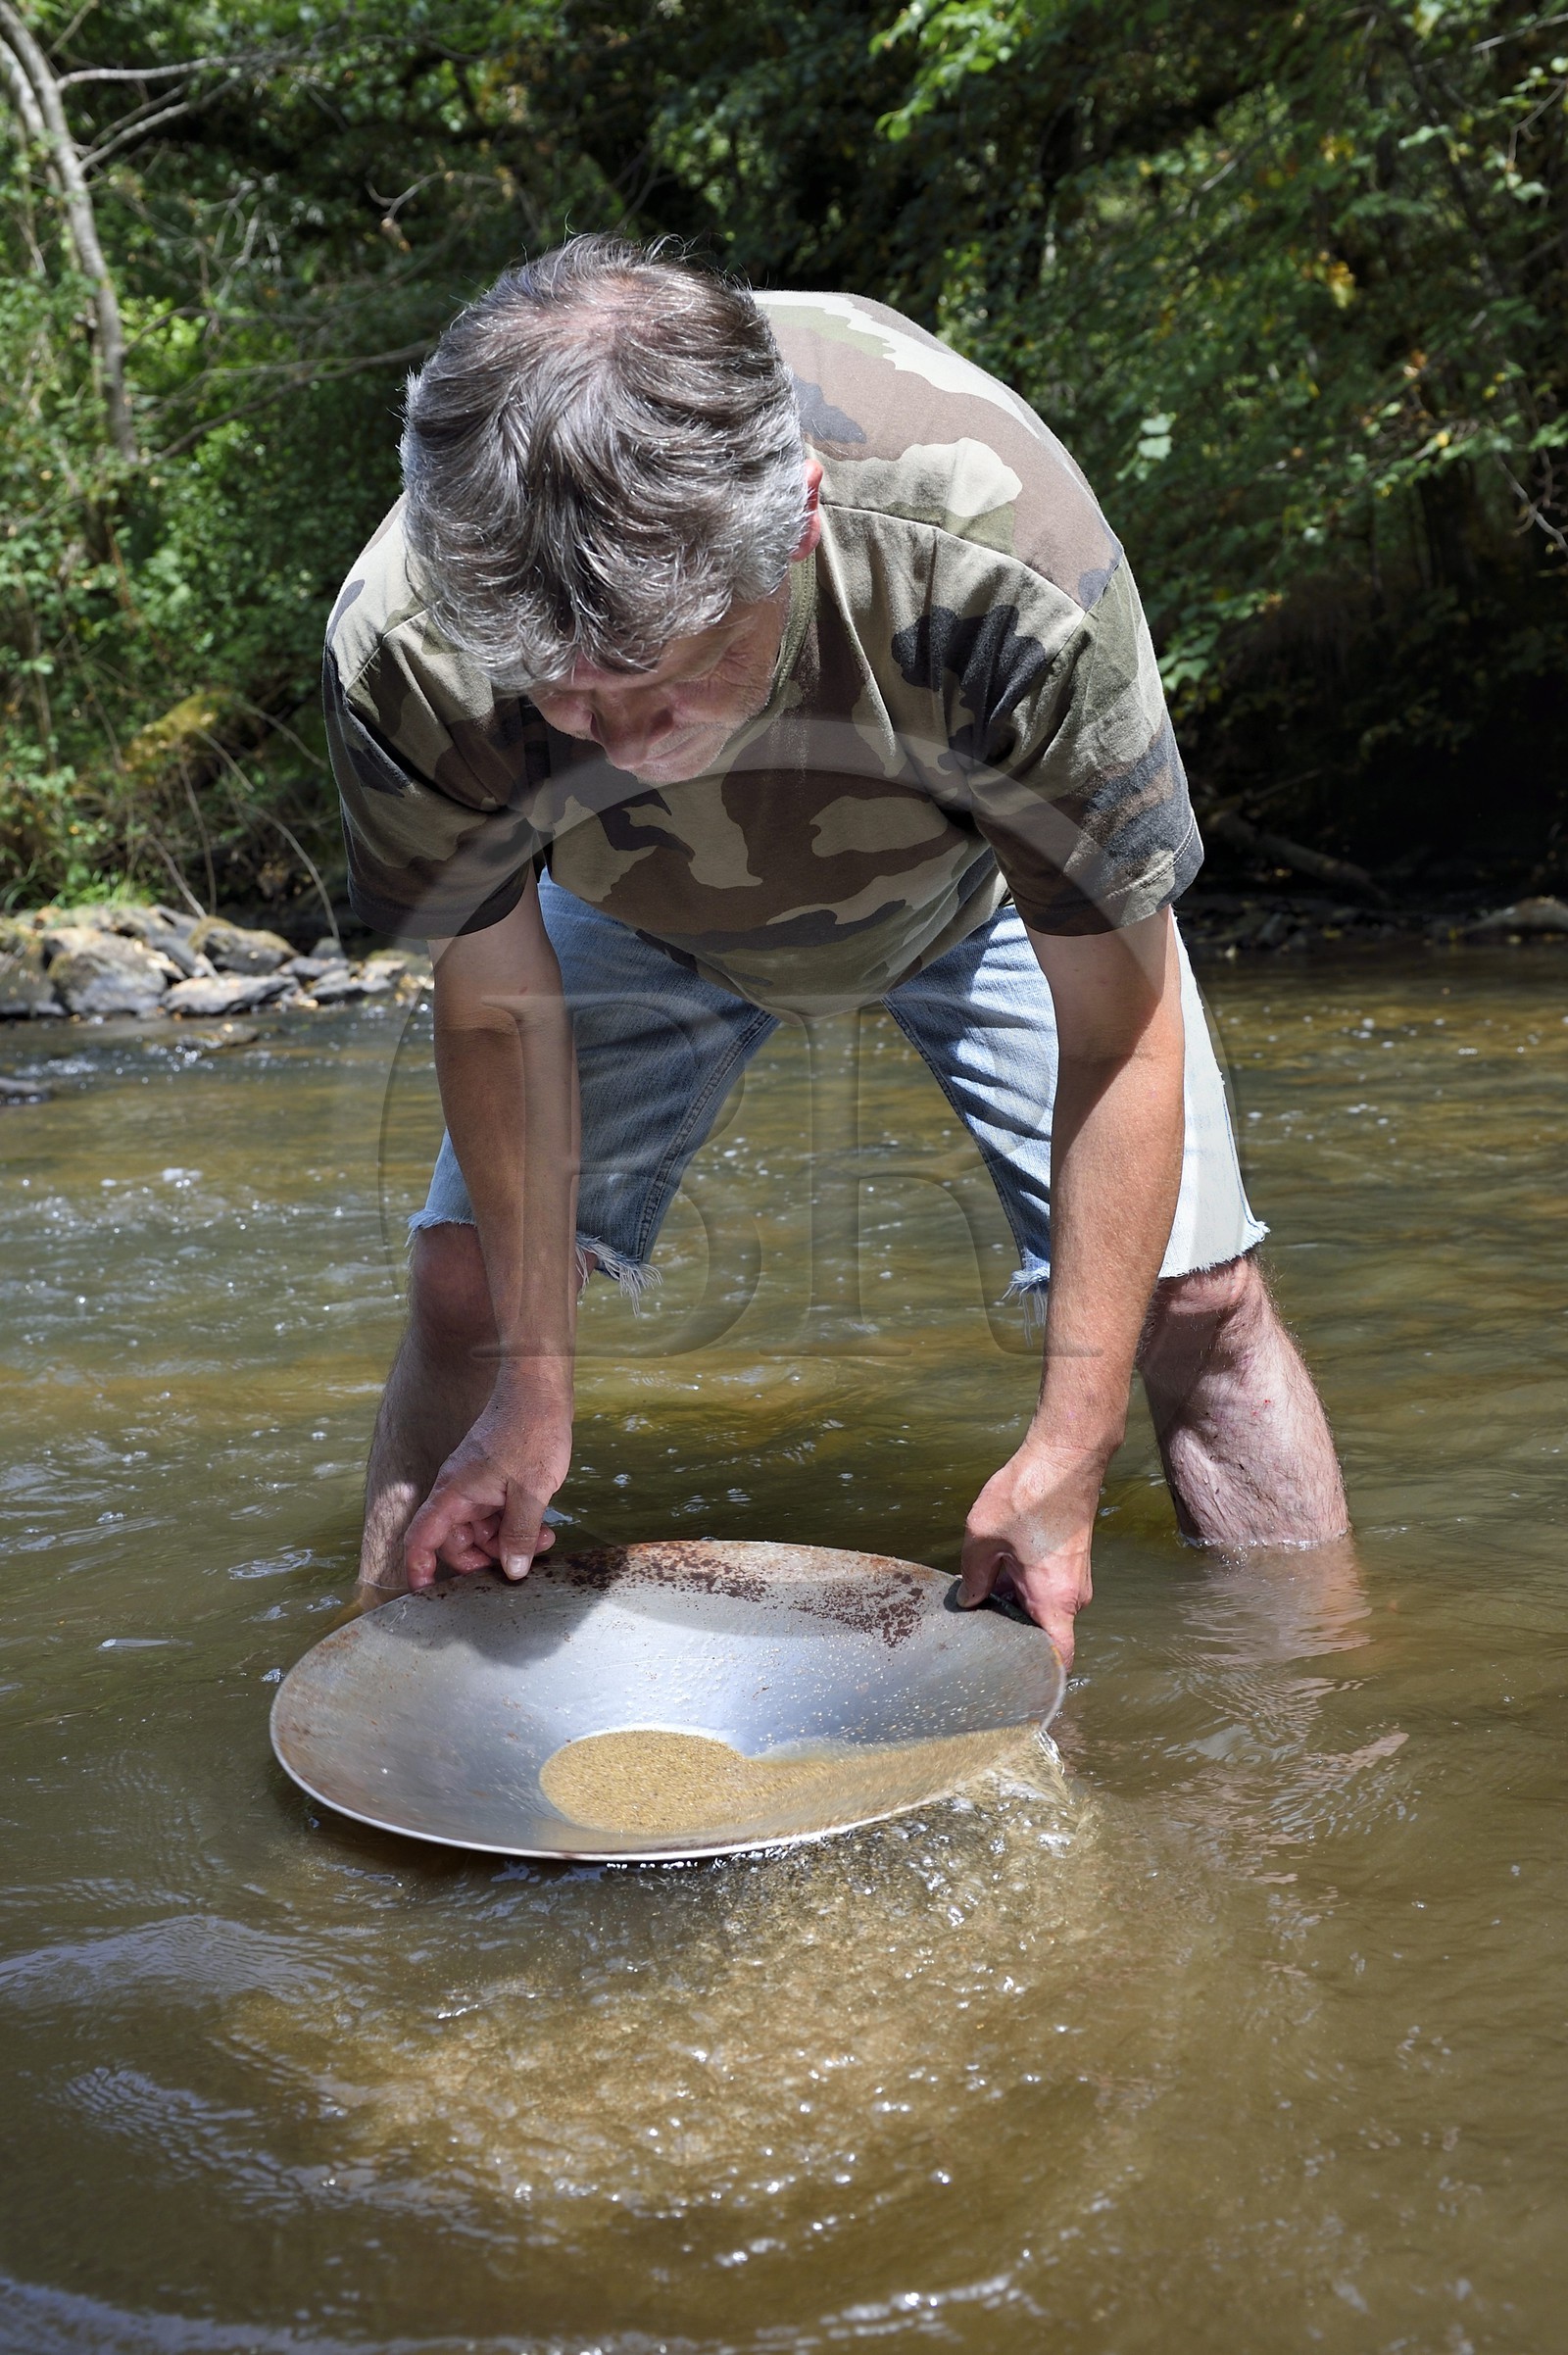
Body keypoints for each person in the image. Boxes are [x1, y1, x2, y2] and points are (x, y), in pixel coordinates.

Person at [323, 233, 1348, 1667]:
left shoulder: (1005, 552)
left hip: (975, 885)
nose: (617, 745)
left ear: (800, 520)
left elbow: (1122, 1033)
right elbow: (496, 1014)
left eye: (667, 682)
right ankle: (381, 1713)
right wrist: (531, 1395)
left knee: (1197, 1304)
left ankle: (1312, 1721)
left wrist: (1071, 1443)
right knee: (466, 1293)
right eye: (559, 697)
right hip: (621, 903)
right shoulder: (409, 632)